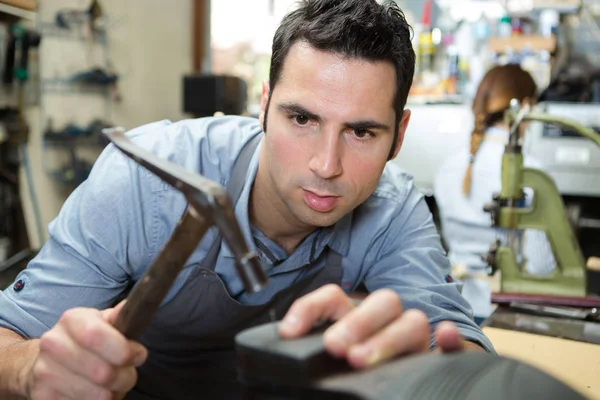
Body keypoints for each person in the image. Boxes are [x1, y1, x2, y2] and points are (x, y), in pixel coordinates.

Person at [0, 1, 493, 399]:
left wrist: (429, 377)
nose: (326, 165)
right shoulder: (146, 181)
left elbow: (466, 358)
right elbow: (9, 338)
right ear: (263, 105)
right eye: (301, 119)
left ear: (399, 135)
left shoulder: (392, 209)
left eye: (361, 131)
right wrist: (32, 371)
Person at [434, 64, 556, 323]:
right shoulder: (533, 174)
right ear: (524, 106)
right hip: (507, 316)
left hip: (456, 312)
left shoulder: (447, 168)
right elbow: (541, 268)